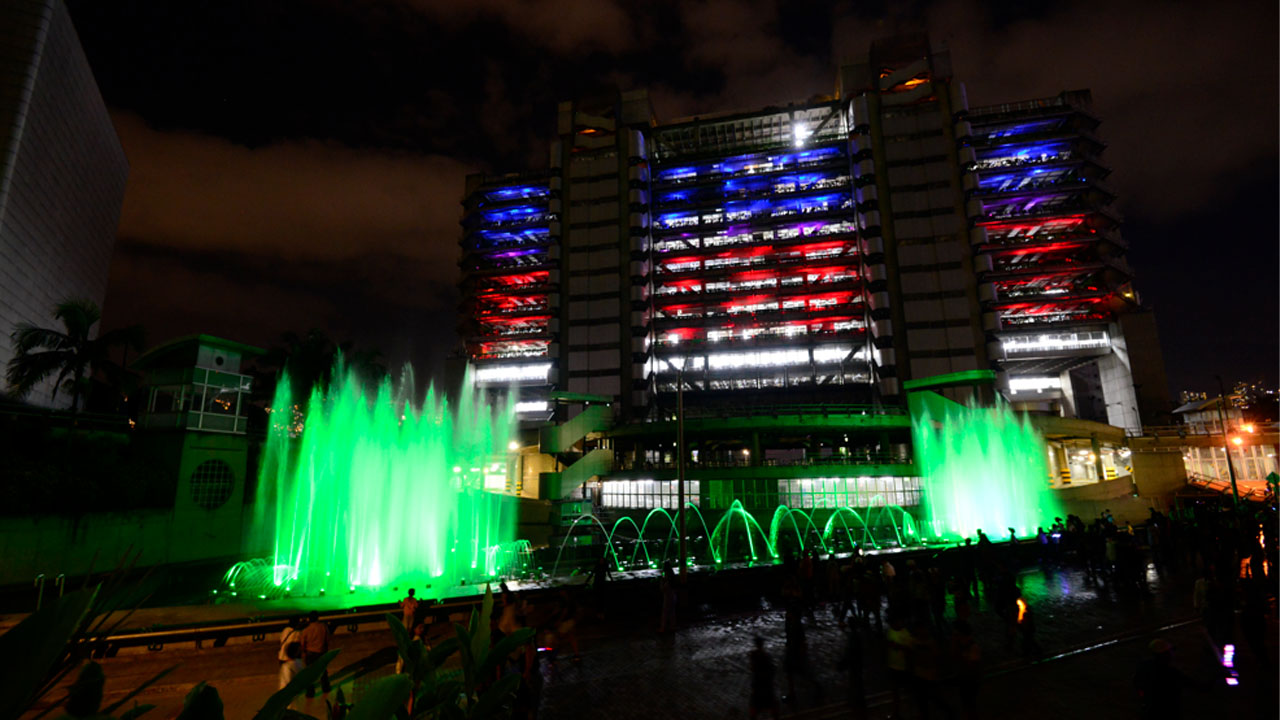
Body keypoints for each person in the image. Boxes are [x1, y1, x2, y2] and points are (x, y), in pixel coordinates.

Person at [1133, 639, 1190, 719]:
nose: (1172, 654)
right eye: (1169, 652)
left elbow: (1136, 682)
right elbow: (1192, 683)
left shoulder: (1145, 666)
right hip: (1169, 711)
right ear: (1165, 654)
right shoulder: (1170, 672)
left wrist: (1144, 696)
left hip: (1151, 709)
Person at [300, 611, 332, 698]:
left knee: (310, 675)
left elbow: (302, 644)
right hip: (321, 652)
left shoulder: (306, 630)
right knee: (323, 672)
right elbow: (327, 639)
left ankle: (310, 692)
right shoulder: (323, 627)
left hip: (310, 653)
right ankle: (326, 688)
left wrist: (304, 654)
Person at [748, 636, 780, 720]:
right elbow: (772, 669)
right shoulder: (766, 656)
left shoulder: (754, 655)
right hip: (766, 684)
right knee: (772, 704)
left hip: (758, 684)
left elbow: (753, 668)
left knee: (755, 705)